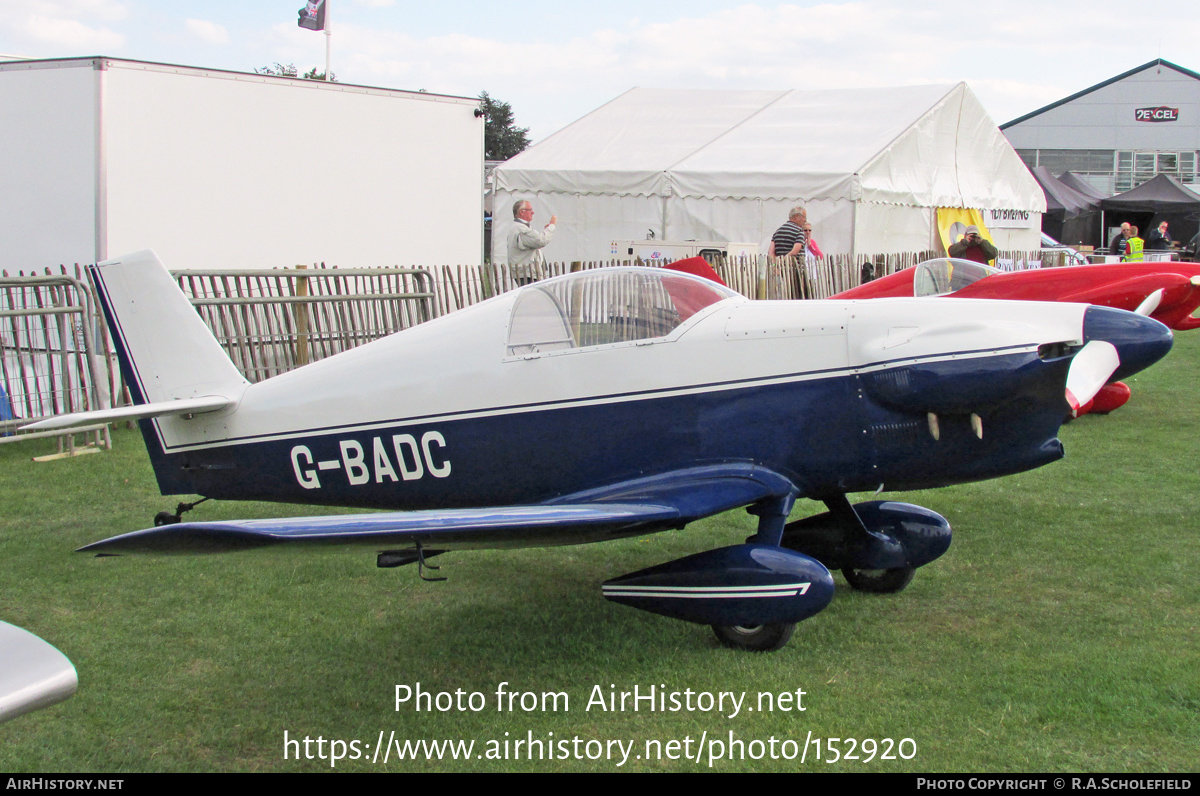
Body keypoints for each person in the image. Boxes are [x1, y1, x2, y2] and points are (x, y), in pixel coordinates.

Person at [507, 200, 556, 285]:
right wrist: (551, 226)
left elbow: (534, 243)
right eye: (530, 210)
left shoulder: (519, 227)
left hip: (526, 272)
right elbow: (541, 241)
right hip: (526, 273)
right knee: (531, 297)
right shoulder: (521, 229)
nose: (532, 212)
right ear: (522, 212)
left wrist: (545, 231)